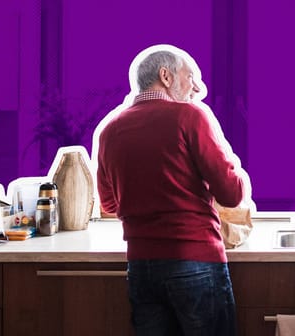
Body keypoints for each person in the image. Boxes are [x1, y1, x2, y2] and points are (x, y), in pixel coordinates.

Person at [96, 45, 248, 336]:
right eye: (190, 77)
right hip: (196, 261)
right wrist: (232, 162)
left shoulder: (109, 130)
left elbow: (110, 204)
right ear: (165, 76)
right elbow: (231, 193)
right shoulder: (190, 116)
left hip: (141, 268)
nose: (197, 88)